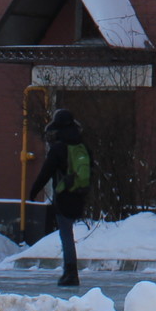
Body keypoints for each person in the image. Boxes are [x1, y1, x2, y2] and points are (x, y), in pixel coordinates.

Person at [27, 107, 92, 287]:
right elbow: (90, 170)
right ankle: (70, 272)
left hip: (64, 195)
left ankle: (70, 273)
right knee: (68, 233)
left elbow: (45, 172)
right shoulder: (82, 147)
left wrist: (34, 191)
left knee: (66, 235)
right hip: (79, 195)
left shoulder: (58, 148)